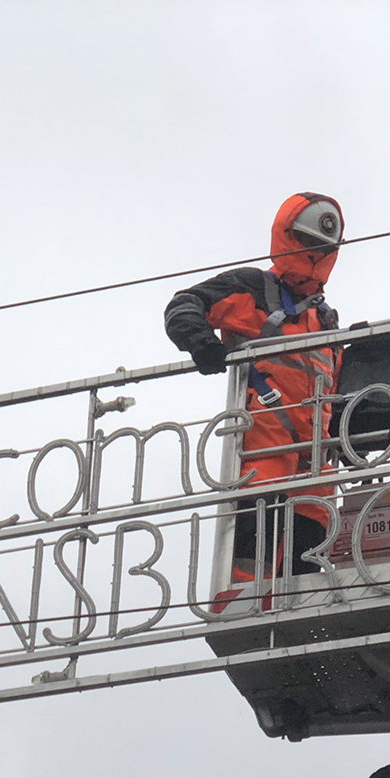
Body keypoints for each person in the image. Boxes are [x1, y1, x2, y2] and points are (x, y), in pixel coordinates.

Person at [164, 193, 344, 589]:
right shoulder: (253, 288)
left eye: (321, 247)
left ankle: (294, 635)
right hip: (263, 455)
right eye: (308, 241)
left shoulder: (326, 318)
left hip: (314, 467)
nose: (314, 252)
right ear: (289, 237)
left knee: (302, 580)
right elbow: (184, 305)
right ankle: (240, 609)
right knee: (250, 570)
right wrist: (202, 344)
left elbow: (334, 388)